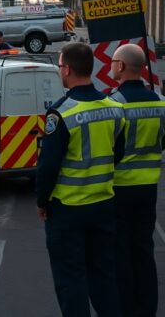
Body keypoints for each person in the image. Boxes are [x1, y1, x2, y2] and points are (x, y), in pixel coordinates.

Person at [35, 42, 126, 317]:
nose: (60, 71)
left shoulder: (61, 113)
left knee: (71, 279)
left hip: (68, 209)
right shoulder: (114, 107)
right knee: (103, 278)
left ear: (69, 70)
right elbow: (116, 154)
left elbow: (47, 167)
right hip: (103, 205)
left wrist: (42, 201)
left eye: (60, 66)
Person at [108, 44, 164, 317]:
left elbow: (110, 149)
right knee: (144, 249)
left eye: (112, 62)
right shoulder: (160, 103)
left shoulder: (114, 104)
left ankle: (126, 308)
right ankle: (147, 309)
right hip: (149, 187)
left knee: (121, 250)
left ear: (120, 66)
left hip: (119, 188)